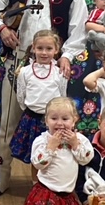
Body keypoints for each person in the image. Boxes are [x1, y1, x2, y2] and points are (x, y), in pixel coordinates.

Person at [0, 0, 88, 198]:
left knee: (57, 127)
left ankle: (51, 183)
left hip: (54, 69)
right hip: (18, 64)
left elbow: (79, 31)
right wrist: (2, 28)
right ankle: (2, 178)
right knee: (7, 126)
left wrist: (67, 56)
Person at [9, 30, 67, 181]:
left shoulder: (59, 73)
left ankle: (54, 184)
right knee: (36, 155)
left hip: (54, 122)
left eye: (49, 48)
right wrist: (32, 110)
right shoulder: (25, 72)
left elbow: (62, 96)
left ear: (56, 50)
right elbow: (21, 96)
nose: (44, 52)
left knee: (55, 153)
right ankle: (36, 185)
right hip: (32, 119)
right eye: (40, 48)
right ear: (33, 48)